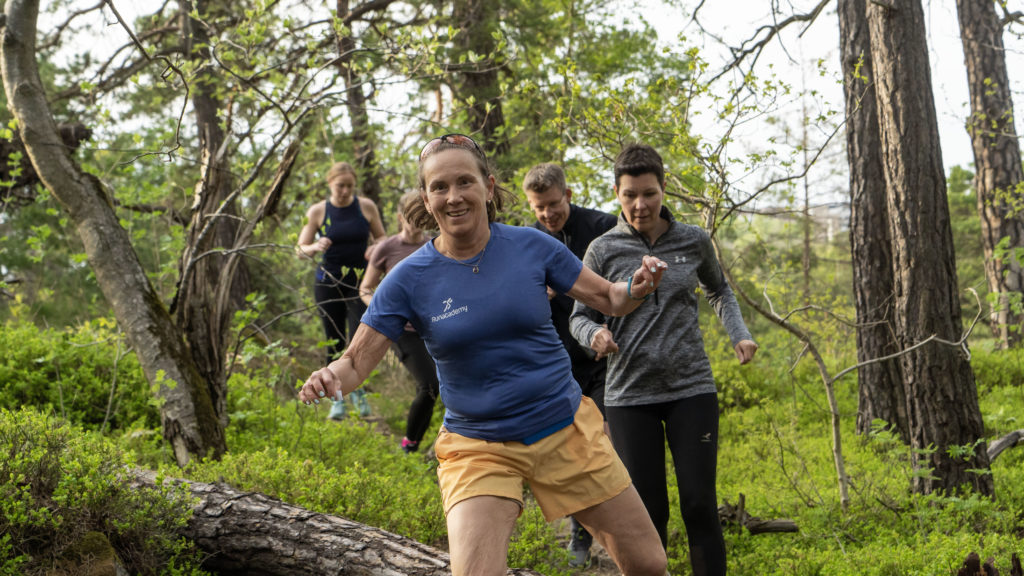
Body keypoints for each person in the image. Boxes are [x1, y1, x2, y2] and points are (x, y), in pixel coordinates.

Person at [298, 133, 669, 576]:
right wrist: (330, 374)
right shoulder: (407, 278)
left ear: (488, 187)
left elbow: (609, 298)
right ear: (426, 197)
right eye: (439, 187)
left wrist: (636, 287)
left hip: (566, 428)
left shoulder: (532, 246)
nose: (453, 197)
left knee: (649, 565)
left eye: (464, 182)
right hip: (479, 445)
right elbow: (357, 362)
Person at [570, 143, 758, 576]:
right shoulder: (602, 250)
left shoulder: (693, 240)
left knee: (699, 505)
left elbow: (719, 290)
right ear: (616, 193)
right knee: (649, 514)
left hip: (691, 389)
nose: (640, 205)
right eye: (630, 195)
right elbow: (579, 316)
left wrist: (740, 334)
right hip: (629, 395)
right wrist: (595, 333)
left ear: (664, 188)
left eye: (649, 193)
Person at [522, 162, 616, 567]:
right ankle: (580, 535)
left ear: (569, 195)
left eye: (554, 204)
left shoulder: (603, 226)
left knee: (608, 445)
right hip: (559, 363)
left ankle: (618, 534)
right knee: (574, 449)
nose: (547, 214)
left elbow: (623, 288)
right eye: (539, 208)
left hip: (606, 355)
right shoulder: (525, 244)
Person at [296, 161, 385, 420]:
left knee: (359, 339)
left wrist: (375, 248)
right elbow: (300, 248)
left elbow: (382, 238)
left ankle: (360, 394)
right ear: (330, 184)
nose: (345, 191)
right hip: (327, 283)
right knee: (333, 339)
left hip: (360, 284)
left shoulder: (366, 207)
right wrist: (314, 246)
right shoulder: (318, 211)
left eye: (349, 186)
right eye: (340, 186)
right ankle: (338, 401)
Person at [358, 191, 440, 454]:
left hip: (436, 327)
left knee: (442, 388)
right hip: (403, 331)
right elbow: (366, 289)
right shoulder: (387, 248)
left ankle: (442, 444)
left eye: (421, 216)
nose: (416, 222)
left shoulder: (436, 244)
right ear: (399, 217)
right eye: (410, 216)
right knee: (429, 385)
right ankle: (410, 445)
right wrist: (388, 311)